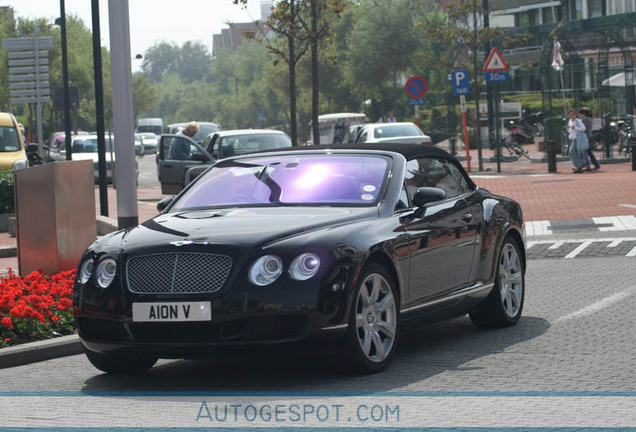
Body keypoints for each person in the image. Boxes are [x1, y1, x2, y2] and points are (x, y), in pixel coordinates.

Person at [567, 108, 587, 173]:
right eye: (570, 115)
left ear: (575, 115)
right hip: (572, 138)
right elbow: (570, 130)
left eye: (573, 114)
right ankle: (580, 164)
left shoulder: (578, 121)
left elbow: (583, 128)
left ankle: (579, 165)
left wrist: (575, 128)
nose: (572, 116)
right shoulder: (570, 121)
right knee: (575, 152)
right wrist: (569, 129)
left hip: (577, 138)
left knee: (571, 152)